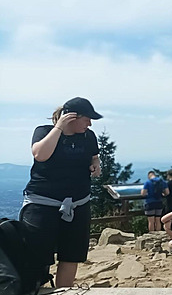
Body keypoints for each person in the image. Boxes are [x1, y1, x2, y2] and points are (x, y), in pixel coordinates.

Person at [21, 97, 103, 287]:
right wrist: (58, 128)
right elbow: (40, 155)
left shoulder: (88, 136)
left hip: (79, 203)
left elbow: (94, 156)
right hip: (42, 204)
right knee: (37, 256)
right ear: (71, 117)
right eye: (87, 118)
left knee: (71, 255)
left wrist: (95, 165)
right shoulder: (44, 131)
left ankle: (64, 291)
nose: (89, 123)